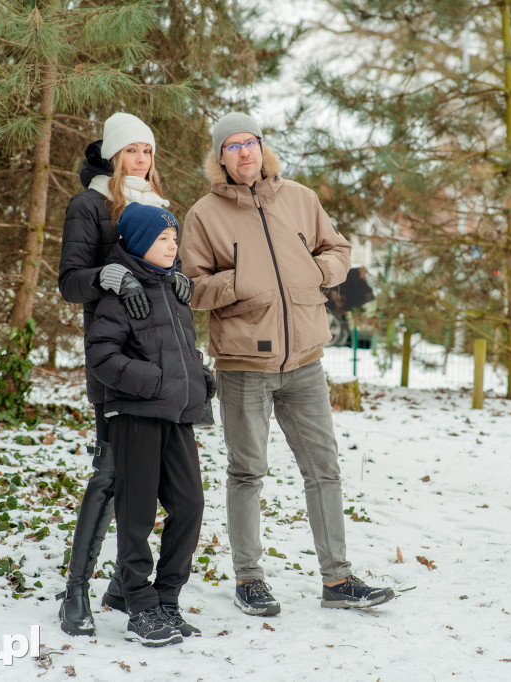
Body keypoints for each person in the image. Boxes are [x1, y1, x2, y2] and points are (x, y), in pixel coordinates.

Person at [179, 112, 395, 615]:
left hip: (306, 362)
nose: (244, 152)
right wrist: (240, 281)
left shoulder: (299, 198)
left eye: (250, 142)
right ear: (220, 158)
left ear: (262, 147)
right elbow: (190, 286)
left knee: (324, 470)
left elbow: (338, 249)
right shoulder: (203, 215)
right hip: (243, 365)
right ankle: (249, 578)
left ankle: (338, 580)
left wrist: (318, 271)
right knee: (248, 472)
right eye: (232, 146)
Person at [56, 112, 191, 636]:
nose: (142, 160)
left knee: (151, 483)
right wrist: (104, 276)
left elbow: (162, 261)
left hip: (161, 367)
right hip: (116, 362)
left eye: (148, 151)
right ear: (113, 155)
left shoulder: (156, 208)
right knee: (111, 475)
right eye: (132, 151)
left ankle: (122, 589)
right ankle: (76, 590)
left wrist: (179, 281)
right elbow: (70, 282)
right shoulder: (89, 205)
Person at [85, 202, 213, 647]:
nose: (173, 244)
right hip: (137, 415)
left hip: (177, 417)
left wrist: (200, 378)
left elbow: (182, 350)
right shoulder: (121, 292)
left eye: (174, 238)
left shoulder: (174, 290)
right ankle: (139, 605)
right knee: (136, 515)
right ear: (140, 242)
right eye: (163, 238)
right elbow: (101, 356)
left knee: (190, 504)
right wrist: (154, 382)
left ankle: (167, 598)